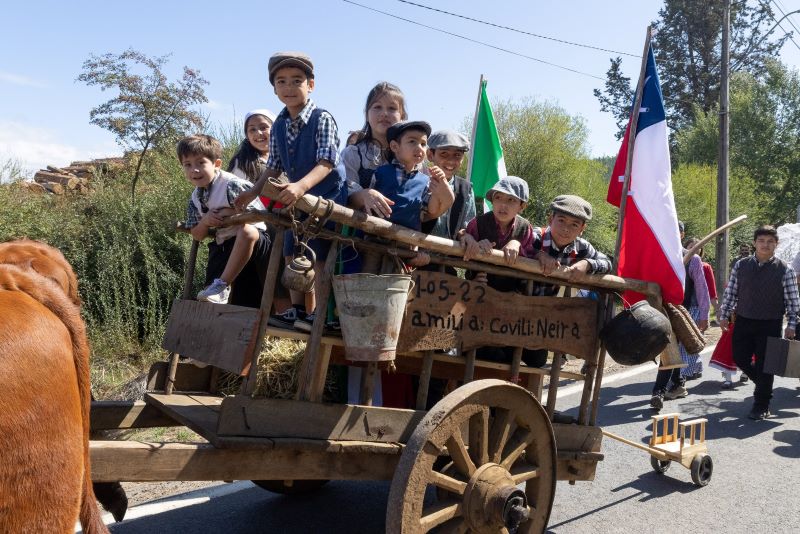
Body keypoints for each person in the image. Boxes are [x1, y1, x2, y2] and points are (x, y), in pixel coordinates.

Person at [235, 51, 347, 332]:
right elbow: (272, 168)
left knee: (319, 256)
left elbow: (326, 162)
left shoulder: (322, 118)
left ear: (311, 85)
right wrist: (251, 194)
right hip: (298, 199)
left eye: (297, 80)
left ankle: (320, 312)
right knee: (290, 250)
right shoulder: (280, 125)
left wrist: (299, 186)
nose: (289, 87)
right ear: (274, 89)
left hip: (326, 196)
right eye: (281, 82)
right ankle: (296, 311)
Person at [460, 176, 546, 368]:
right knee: (478, 352)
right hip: (480, 297)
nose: (503, 205)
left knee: (522, 356)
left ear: (522, 206)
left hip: (510, 301)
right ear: (492, 200)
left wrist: (517, 244)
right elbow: (463, 249)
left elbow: (533, 255)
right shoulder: (478, 224)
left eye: (511, 200)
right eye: (498, 198)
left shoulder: (525, 229)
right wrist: (473, 244)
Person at [719, 225, 799, 420]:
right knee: (740, 358)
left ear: (776, 244)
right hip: (744, 319)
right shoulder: (742, 265)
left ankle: (761, 404)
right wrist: (723, 313)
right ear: (755, 243)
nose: (765, 245)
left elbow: (793, 300)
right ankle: (763, 384)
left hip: (770, 322)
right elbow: (732, 292)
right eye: (761, 241)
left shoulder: (784, 269)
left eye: (770, 241)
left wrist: (792, 325)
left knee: (766, 364)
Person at [179, 134, 270, 307]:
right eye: (188, 165)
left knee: (247, 231)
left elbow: (259, 213)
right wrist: (205, 221)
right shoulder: (195, 198)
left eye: (201, 163)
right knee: (208, 301)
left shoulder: (232, 185)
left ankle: (222, 285)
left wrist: (227, 213)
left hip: (255, 243)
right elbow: (197, 235)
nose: (194, 170)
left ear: (217, 164)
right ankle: (217, 291)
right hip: (224, 245)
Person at [360, 120, 453, 273]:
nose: (419, 148)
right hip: (375, 239)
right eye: (412, 142)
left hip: (406, 243)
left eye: (423, 144)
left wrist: (440, 186)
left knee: (397, 283)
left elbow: (431, 209)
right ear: (395, 147)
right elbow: (365, 204)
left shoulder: (425, 180)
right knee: (367, 277)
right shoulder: (380, 173)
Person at [227, 108, 292, 314]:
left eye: (264, 127)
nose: (258, 133)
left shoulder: (286, 158)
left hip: (290, 222)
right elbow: (236, 196)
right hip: (265, 225)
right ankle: (283, 319)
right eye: (252, 129)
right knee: (276, 277)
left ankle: (300, 320)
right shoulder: (243, 162)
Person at [650, 233, 710, 410]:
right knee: (670, 349)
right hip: (661, 310)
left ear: (681, 234)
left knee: (668, 350)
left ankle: (658, 392)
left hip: (683, 311)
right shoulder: (658, 254)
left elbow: (701, 287)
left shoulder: (693, 259)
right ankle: (678, 383)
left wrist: (704, 315)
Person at [341, 82, 407, 217]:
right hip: (356, 232)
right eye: (377, 107)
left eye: (392, 108)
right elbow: (343, 194)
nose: (384, 113)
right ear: (366, 114)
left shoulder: (411, 156)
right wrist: (363, 195)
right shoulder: (353, 154)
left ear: (402, 116)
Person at [532, 195, 612, 295]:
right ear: (550, 220)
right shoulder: (536, 236)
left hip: (550, 307)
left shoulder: (581, 247)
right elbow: (518, 246)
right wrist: (538, 254)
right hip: (515, 301)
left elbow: (607, 263)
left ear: (582, 229)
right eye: (561, 220)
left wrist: (587, 264)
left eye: (574, 225)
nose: (566, 229)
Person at [421, 129, 476, 242]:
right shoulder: (418, 183)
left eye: (457, 155)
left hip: (451, 256)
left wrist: (466, 235)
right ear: (430, 155)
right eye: (444, 154)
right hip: (419, 252)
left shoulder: (466, 189)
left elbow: (467, 225)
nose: (451, 161)